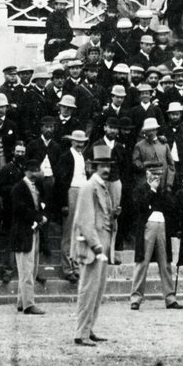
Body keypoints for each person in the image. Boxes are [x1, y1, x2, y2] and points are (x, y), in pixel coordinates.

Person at [72, 144, 116, 346]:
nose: (106, 170)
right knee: (88, 290)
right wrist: (97, 247)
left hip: (103, 243)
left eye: (108, 166)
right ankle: (81, 332)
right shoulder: (88, 187)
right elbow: (84, 221)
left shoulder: (103, 187)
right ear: (94, 167)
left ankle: (88, 329)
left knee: (98, 290)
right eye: (102, 166)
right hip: (93, 246)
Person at [129, 163, 182, 310]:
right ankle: (136, 298)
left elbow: (170, 207)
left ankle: (170, 298)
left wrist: (161, 192)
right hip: (148, 226)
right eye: (153, 174)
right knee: (142, 262)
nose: (156, 177)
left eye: (159, 174)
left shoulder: (164, 191)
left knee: (165, 264)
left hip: (162, 226)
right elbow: (139, 206)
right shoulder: (140, 189)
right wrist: (151, 190)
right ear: (147, 174)